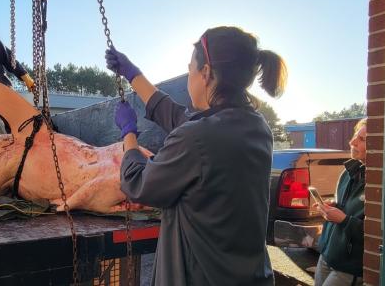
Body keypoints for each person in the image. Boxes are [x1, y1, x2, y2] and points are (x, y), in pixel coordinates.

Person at [106, 26, 287, 285]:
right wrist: (133, 74)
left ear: (206, 73)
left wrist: (128, 133)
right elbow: (182, 119)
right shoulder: (257, 126)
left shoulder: (198, 137)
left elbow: (137, 184)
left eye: (190, 69)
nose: (188, 76)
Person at [314, 118, 367, 286]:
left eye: (362, 139)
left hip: (349, 266)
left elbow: (379, 235)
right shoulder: (348, 172)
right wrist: (334, 206)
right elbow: (347, 206)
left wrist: (343, 220)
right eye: (355, 136)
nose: (352, 142)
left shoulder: (381, 182)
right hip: (327, 255)